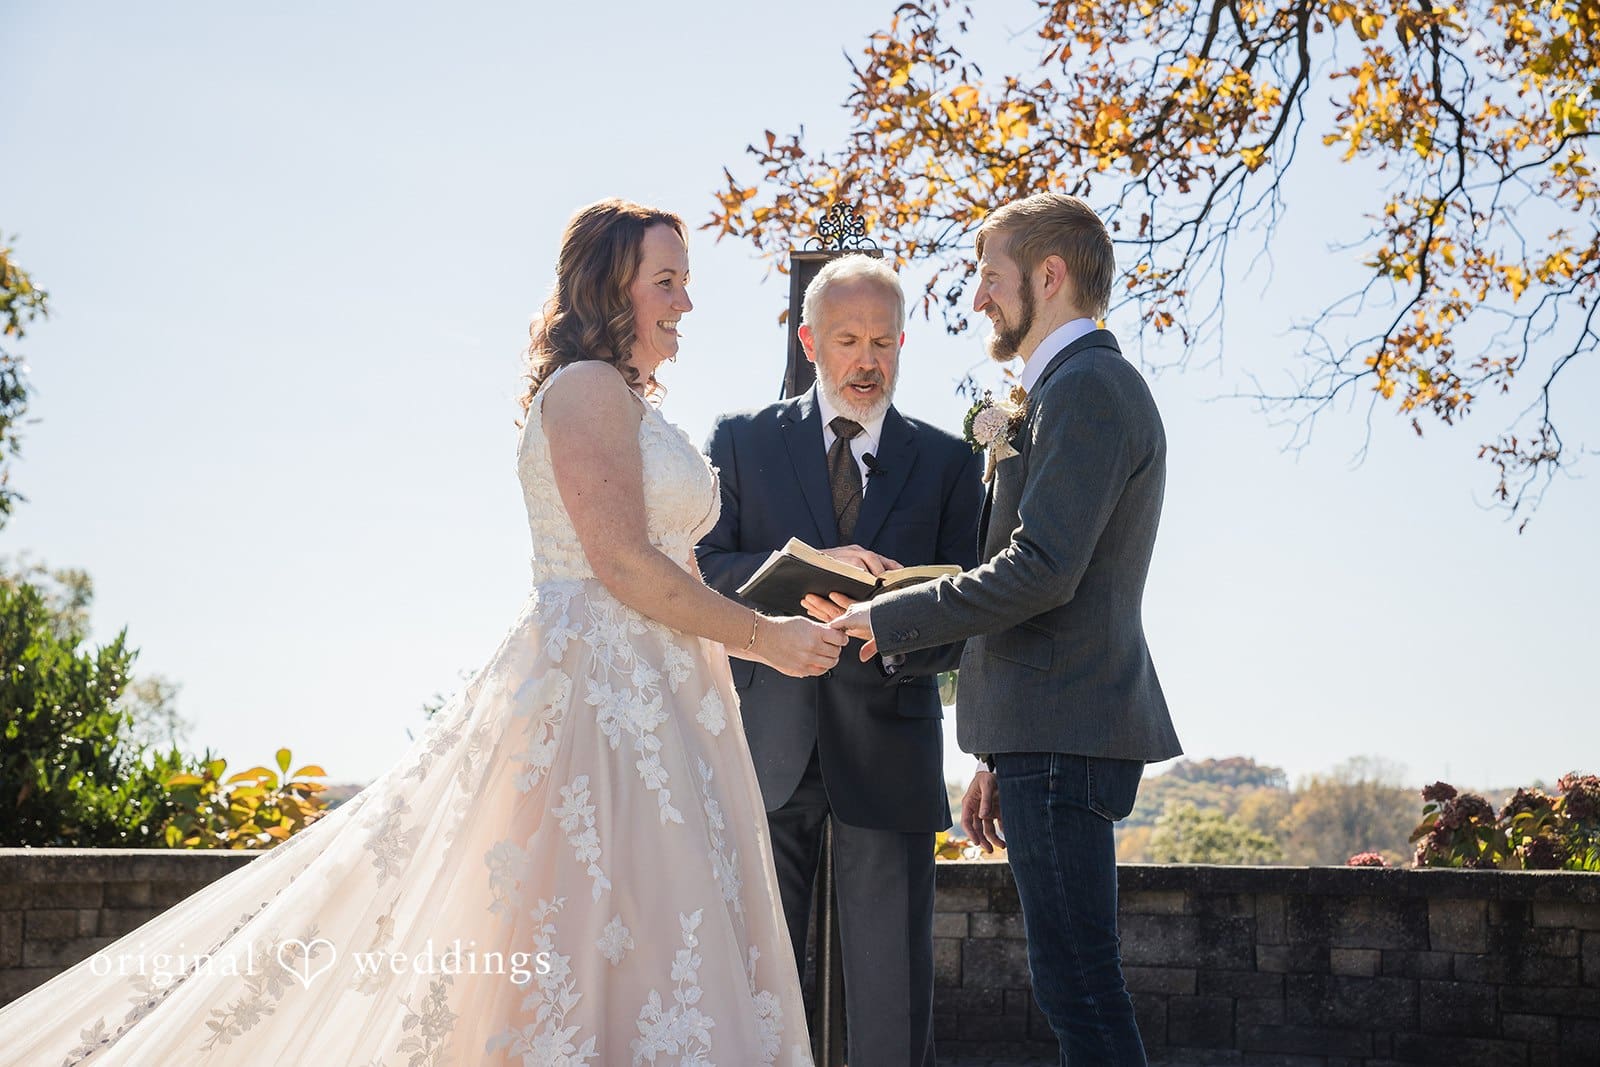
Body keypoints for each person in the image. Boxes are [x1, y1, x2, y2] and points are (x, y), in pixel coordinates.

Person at [0, 198, 842, 1065]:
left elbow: (676, 564)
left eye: (686, 282)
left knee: (658, 947)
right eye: (667, 281)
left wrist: (788, 592)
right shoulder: (587, 390)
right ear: (608, 286)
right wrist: (761, 638)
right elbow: (621, 565)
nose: (685, 304)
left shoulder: (629, 404)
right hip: (601, 705)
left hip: (669, 705)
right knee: (582, 944)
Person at [826, 194, 1182, 1065]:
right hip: (1043, 735)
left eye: (991, 277)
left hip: (1065, 734)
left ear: (1048, 276)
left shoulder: (1091, 387)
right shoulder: (1063, 386)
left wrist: (887, 615)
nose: (979, 298)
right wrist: (996, 750)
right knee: (1075, 982)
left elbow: (1041, 570)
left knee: (1080, 987)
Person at [696, 255, 983, 1067]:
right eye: (850, 339)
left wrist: (891, 622)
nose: (868, 360)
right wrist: (807, 570)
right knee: (757, 981)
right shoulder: (742, 441)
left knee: (892, 999)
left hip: (890, 744)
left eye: (884, 342)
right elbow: (703, 569)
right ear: (810, 339)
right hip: (767, 745)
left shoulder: (950, 462)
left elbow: (971, 610)